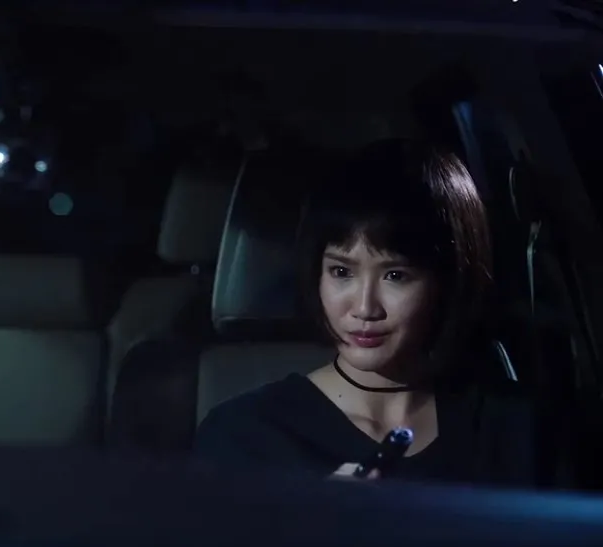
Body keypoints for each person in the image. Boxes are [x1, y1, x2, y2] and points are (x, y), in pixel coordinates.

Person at [194, 138, 536, 486]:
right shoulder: (244, 436)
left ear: (448, 281)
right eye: (341, 272)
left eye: (396, 276)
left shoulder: (515, 427)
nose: (364, 308)